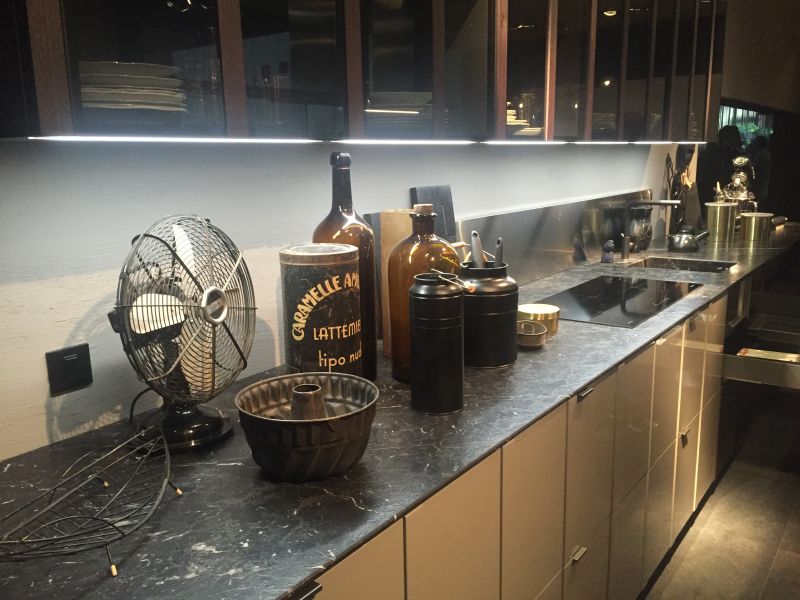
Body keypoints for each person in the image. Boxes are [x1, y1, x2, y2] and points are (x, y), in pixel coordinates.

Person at [696, 125, 743, 211]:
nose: (740, 140)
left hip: (711, 196)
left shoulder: (712, 152)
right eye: (738, 136)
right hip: (713, 197)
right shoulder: (722, 154)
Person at [747, 135, 772, 207]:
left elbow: (753, 166)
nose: (752, 144)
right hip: (763, 179)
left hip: (763, 179)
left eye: (754, 142)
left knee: (762, 195)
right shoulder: (765, 153)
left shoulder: (762, 154)